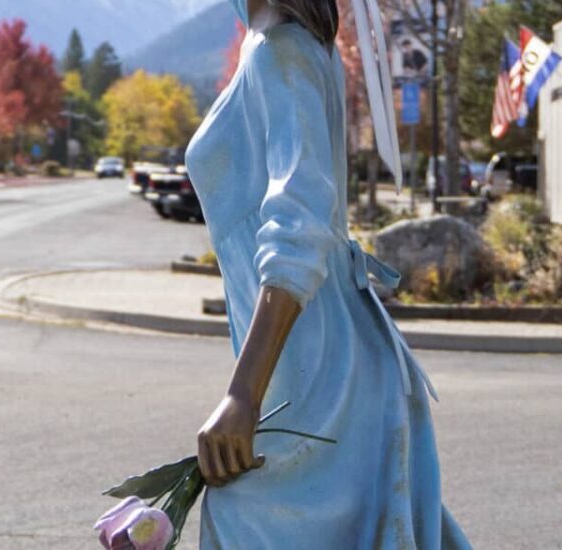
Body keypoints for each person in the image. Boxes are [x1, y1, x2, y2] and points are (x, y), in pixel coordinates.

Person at [182, 0, 471, 547]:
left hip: (321, 378)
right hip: (305, 369)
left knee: (242, 520)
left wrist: (242, 395)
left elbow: (302, 220)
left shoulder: (281, 51)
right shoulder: (274, 44)